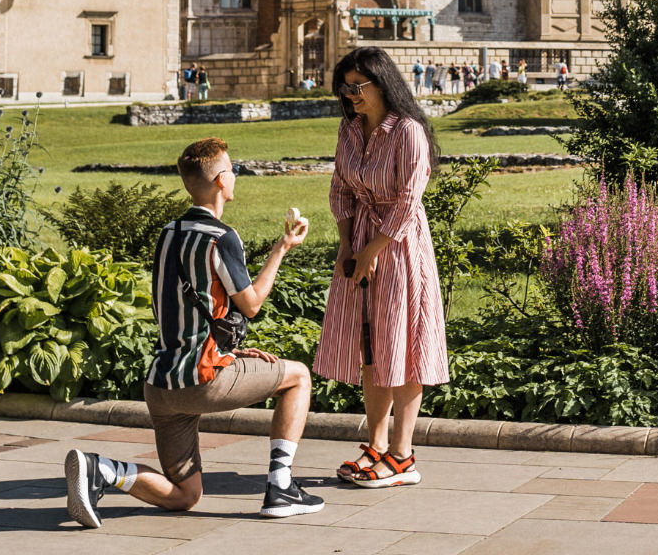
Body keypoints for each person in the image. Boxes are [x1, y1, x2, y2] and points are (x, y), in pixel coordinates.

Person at [65, 137, 324, 526]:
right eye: (232, 170)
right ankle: (281, 485)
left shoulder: (167, 234)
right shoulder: (221, 237)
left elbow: (180, 308)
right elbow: (250, 303)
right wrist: (282, 248)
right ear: (221, 180)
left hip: (162, 385)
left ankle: (101, 470)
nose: (235, 176)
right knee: (299, 376)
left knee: (186, 495)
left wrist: (227, 350)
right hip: (204, 379)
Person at [314, 47, 449, 488]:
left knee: (404, 344)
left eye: (358, 87)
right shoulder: (349, 129)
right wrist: (346, 244)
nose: (350, 95)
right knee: (372, 347)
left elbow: (410, 199)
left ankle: (402, 455)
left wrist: (372, 250)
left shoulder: (408, 131)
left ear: (382, 83)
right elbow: (340, 188)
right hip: (360, 242)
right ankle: (375, 445)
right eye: (345, 87)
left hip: (399, 244)